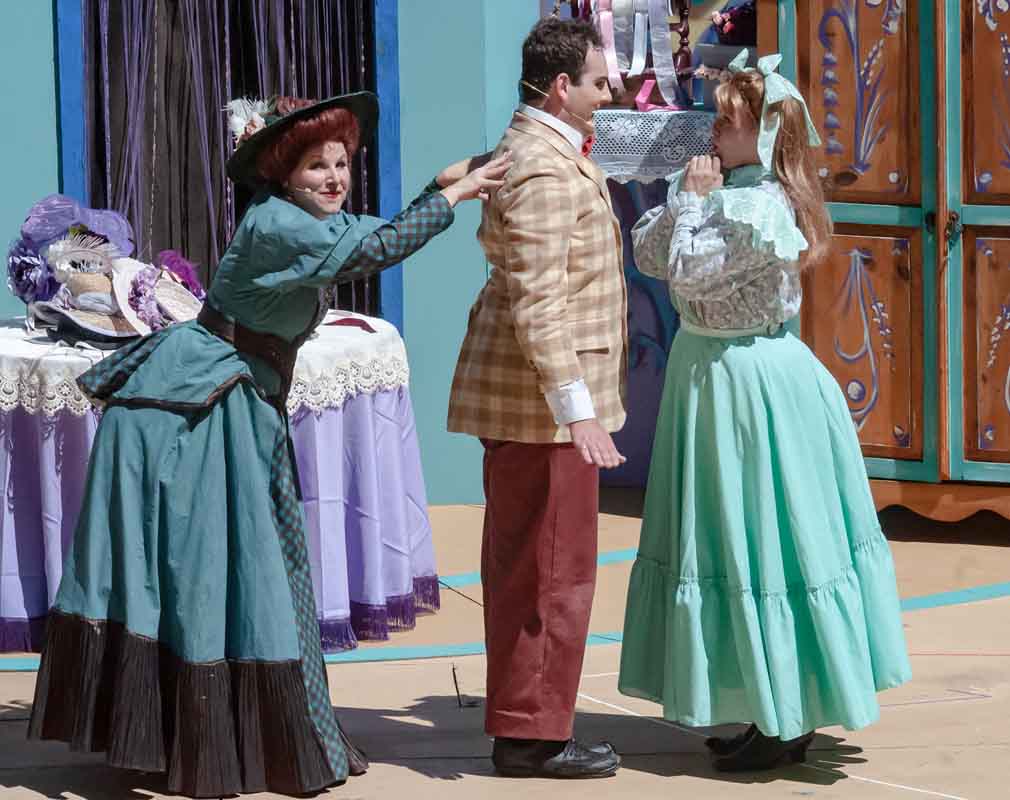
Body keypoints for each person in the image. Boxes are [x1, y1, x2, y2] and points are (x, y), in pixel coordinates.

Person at [27, 90, 510, 798]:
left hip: (230, 399)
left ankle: (220, 735)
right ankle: (199, 741)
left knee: (250, 571)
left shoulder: (306, 219)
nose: (333, 177)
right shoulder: (281, 224)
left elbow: (362, 233)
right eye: (316, 165)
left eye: (341, 163)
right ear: (285, 175)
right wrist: (456, 194)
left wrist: (437, 188)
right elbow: (373, 250)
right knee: (217, 573)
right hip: (187, 410)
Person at [617, 51, 912, 771]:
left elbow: (687, 269)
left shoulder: (763, 206)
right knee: (724, 544)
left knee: (766, 546)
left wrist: (690, 201)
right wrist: (687, 198)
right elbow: (651, 256)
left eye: (729, 120)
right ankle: (755, 701)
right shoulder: (728, 190)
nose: (714, 130)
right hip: (711, 381)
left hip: (750, 387)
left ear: (767, 134)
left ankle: (786, 716)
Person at [445, 17, 626, 779]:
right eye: (597, 79)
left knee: (538, 563)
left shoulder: (538, 145)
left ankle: (531, 721)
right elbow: (538, 301)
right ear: (561, 86)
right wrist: (575, 407)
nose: (610, 88)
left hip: (536, 403)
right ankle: (531, 734)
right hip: (542, 411)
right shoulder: (545, 167)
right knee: (550, 570)